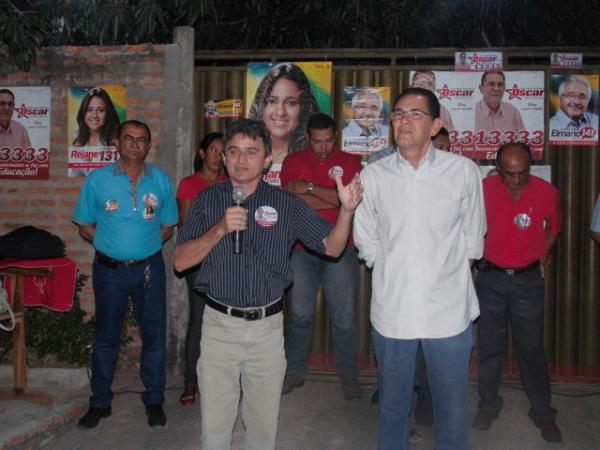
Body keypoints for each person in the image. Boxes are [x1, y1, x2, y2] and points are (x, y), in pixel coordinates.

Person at [174, 119, 362, 450]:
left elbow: (332, 248)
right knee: (214, 429)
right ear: (226, 158)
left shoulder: (285, 204)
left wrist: (346, 212)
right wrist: (220, 229)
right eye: (234, 151)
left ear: (266, 160)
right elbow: (180, 261)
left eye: (251, 152)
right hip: (219, 327)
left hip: (267, 330)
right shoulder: (207, 202)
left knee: (262, 430)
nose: (241, 160)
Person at [354, 87, 486, 450]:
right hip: (393, 313)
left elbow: (473, 239)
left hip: (448, 314)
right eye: (398, 113)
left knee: (452, 410)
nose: (404, 121)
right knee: (393, 408)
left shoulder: (462, 171)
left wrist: (438, 278)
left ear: (435, 125)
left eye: (415, 113)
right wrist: (399, 273)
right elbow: (367, 242)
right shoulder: (375, 176)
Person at [73, 120, 178, 429]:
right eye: (128, 138)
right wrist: (109, 246)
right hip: (109, 272)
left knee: (155, 338)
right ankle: (100, 402)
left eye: (141, 139)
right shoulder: (98, 180)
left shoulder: (160, 180)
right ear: (117, 143)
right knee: (106, 337)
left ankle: (155, 399)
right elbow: (84, 224)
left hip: (149, 269)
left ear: (149, 145)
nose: (135, 144)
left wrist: (143, 248)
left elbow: (168, 226)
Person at [473, 142, 563, 443]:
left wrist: (543, 253)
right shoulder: (483, 188)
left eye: (522, 174)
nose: (515, 180)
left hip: (527, 282)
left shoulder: (546, 191)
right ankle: (488, 405)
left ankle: (542, 412)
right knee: (489, 347)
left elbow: (555, 226)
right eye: (509, 174)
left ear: (531, 168)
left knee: (531, 348)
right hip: (490, 279)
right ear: (498, 169)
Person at [280, 113, 363, 400]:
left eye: (329, 141)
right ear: (308, 138)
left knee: (344, 318)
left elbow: (351, 199)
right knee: (300, 315)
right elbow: (291, 198)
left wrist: (310, 188)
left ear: (335, 137)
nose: (324, 148)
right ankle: (294, 372)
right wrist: (335, 197)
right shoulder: (293, 161)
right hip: (302, 250)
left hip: (341, 251)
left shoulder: (351, 162)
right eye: (317, 142)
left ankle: (349, 375)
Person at [176, 132, 227, 406]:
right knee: (198, 320)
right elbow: (186, 224)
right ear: (202, 153)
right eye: (214, 150)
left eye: (223, 151)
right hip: (197, 260)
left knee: (227, 322)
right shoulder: (189, 183)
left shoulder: (230, 185)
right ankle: (190, 381)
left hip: (226, 261)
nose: (218, 156)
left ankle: (223, 380)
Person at [248, 63, 320, 187]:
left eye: (291, 103)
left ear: (303, 107)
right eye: (272, 101)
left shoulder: (314, 158)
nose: (280, 112)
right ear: (261, 106)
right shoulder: (246, 155)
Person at [475, 71, 526, 135]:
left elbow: (522, 141)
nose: (496, 89)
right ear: (481, 88)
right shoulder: (471, 113)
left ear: (504, 88)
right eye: (491, 84)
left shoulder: (512, 111)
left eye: (500, 85)